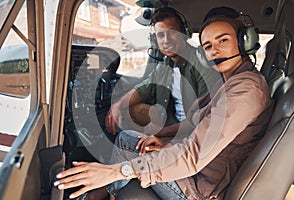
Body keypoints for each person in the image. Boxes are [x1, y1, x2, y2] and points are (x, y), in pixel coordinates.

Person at [54, 15, 274, 200]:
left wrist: (113, 172)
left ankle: (99, 194)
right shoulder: (230, 83)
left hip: (201, 190)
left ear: (244, 42)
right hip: (203, 170)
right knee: (132, 139)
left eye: (223, 41)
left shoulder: (245, 91)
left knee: (125, 143)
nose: (215, 50)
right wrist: (162, 138)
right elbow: (193, 123)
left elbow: (194, 155)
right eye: (208, 46)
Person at [105, 7, 215, 140]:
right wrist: (117, 105)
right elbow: (143, 88)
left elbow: (203, 119)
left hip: (194, 135)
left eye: (172, 32)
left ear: (185, 33)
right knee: (131, 110)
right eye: (160, 35)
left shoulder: (201, 63)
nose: (166, 40)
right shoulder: (165, 64)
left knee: (123, 139)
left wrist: (160, 132)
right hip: (172, 124)